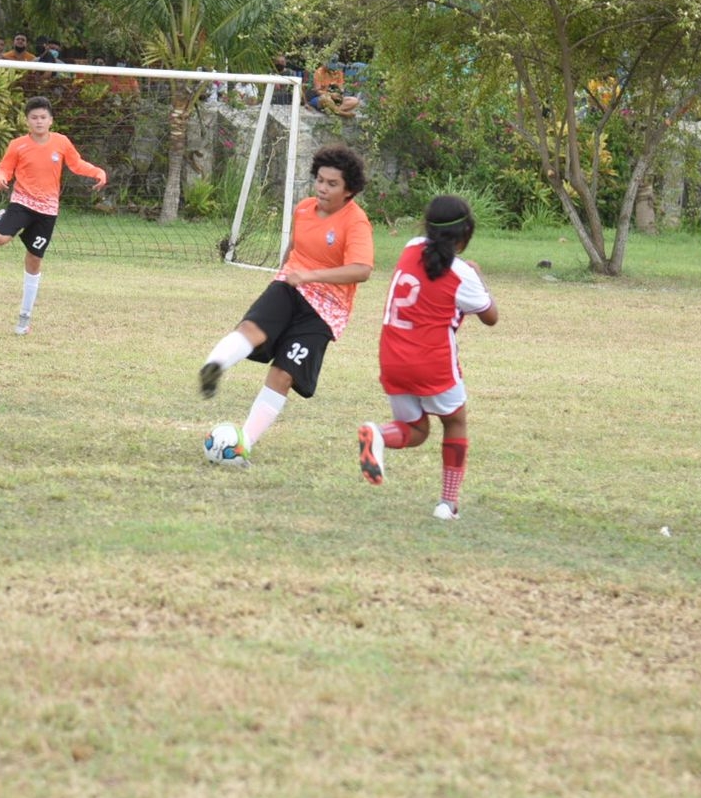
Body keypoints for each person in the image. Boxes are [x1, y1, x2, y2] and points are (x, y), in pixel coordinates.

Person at [198, 146, 374, 465]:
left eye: (332, 183)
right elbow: (295, 246)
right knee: (251, 328)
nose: (322, 188)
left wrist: (312, 275)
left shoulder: (356, 222)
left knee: (284, 374)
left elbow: (362, 269)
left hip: (325, 310)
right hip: (288, 286)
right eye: (319, 180)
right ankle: (215, 365)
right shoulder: (304, 208)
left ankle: (243, 444)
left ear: (349, 190)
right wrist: (283, 277)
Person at [358, 195, 498, 520]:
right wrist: (480, 277)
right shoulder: (463, 274)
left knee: (416, 430)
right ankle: (447, 503)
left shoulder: (410, 247)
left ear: (427, 226)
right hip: (432, 361)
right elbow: (491, 317)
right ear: (465, 234)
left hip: (391, 356)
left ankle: (378, 434)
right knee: (455, 422)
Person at [0, 96, 108, 335]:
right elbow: (5, 167)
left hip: (47, 210)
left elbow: (76, 164)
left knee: (34, 259)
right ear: (27, 121)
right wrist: (1, 177)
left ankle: (25, 317)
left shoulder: (61, 142)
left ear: (51, 120)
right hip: (22, 202)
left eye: (43, 117)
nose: (39, 121)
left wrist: (97, 172)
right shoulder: (17, 145)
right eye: (34, 118)